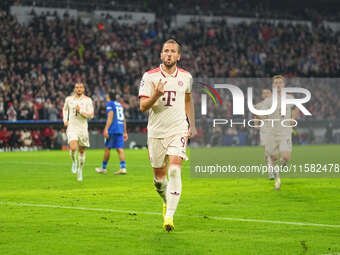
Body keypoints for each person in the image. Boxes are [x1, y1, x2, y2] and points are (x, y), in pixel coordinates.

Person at [139, 39, 196, 231]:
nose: (169, 54)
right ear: (161, 55)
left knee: (174, 170)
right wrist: (155, 95)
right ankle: (165, 200)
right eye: (166, 51)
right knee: (159, 179)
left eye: (173, 51)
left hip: (178, 129)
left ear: (179, 56)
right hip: (156, 132)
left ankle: (169, 217)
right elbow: (142, 107)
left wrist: (191, 124)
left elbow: (187, 99)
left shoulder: (186, 77)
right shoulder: (149, 77)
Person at [257, 75, 298, 190]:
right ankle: (277, 179)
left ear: (283, 85)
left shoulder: (290, 97)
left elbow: (295, 108)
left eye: (280, 83)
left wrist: (292, 119)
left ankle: (277, 172)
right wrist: (259, 115)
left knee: (286, 157)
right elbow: (262, 114)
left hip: (285, 132)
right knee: (273, 158)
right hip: (272, 132)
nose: (278, 85)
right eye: (276, 83)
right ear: (273, 86)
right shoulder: (268, 101)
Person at [63, 82, 94, 181]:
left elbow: (91, 115)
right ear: (74, 89)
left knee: (81, 150)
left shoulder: (88, 100)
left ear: (84, 89)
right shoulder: (69, 99)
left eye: (81, 87)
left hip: (83, 128)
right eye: (77, 87)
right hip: (72, 127)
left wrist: (80, 111)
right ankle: (74, 161)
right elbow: (65, 109)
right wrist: (65, 120)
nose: (79, 89)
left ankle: (80, 170)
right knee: (72, 148)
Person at [95, 92, 128, 175]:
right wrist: (125, 132)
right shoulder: (119, 105)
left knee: (107, 148)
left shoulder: (110, 104)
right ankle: (123, 168)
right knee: (120, 149)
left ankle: (103, 168)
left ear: (108, 96)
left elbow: (110, 116)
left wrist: (106, 129)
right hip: (120, 128)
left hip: (113, 129)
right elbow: (123, 119)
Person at [255, 89, 274, 179]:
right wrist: (256, 124)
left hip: (276, 130)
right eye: (264, 93)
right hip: (265, 130)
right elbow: (256, 116)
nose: (266, 94)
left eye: (267, 93)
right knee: (268, 151)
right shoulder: (259, 105)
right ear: (262, 95)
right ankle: (270, 172)